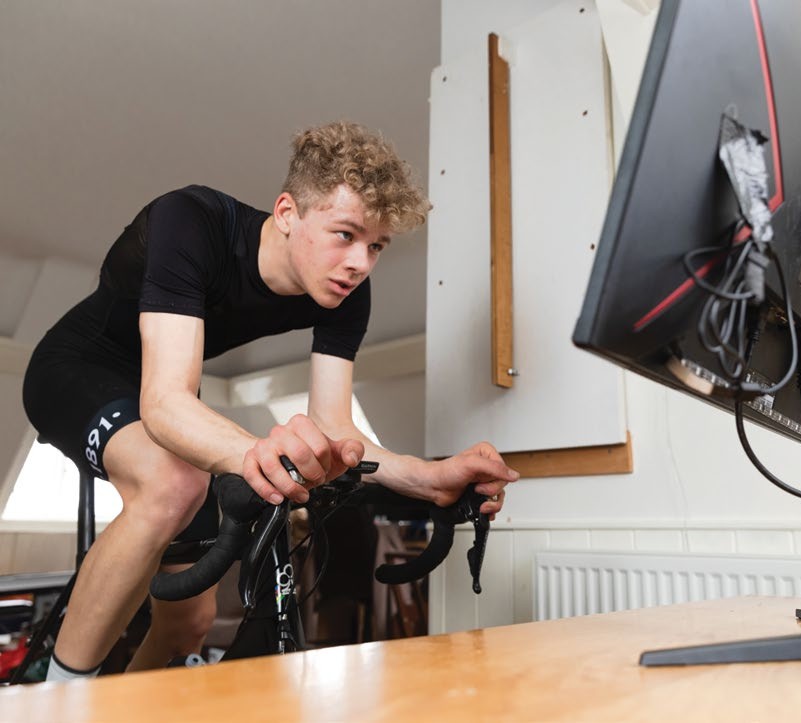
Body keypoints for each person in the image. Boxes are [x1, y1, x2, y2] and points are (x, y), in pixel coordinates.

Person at [21, 121, 519, 682]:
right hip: (77, 368)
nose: (361, 263)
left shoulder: (346, 294)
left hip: (166, 392)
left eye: (376, 246)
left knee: (188, 625)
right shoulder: (191, 221)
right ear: (287, 213)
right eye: (345, 234)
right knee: (174, 483)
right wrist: (259, 452)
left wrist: (431, 478)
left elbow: (336, 428)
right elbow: (163, 402)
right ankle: (56, 704)